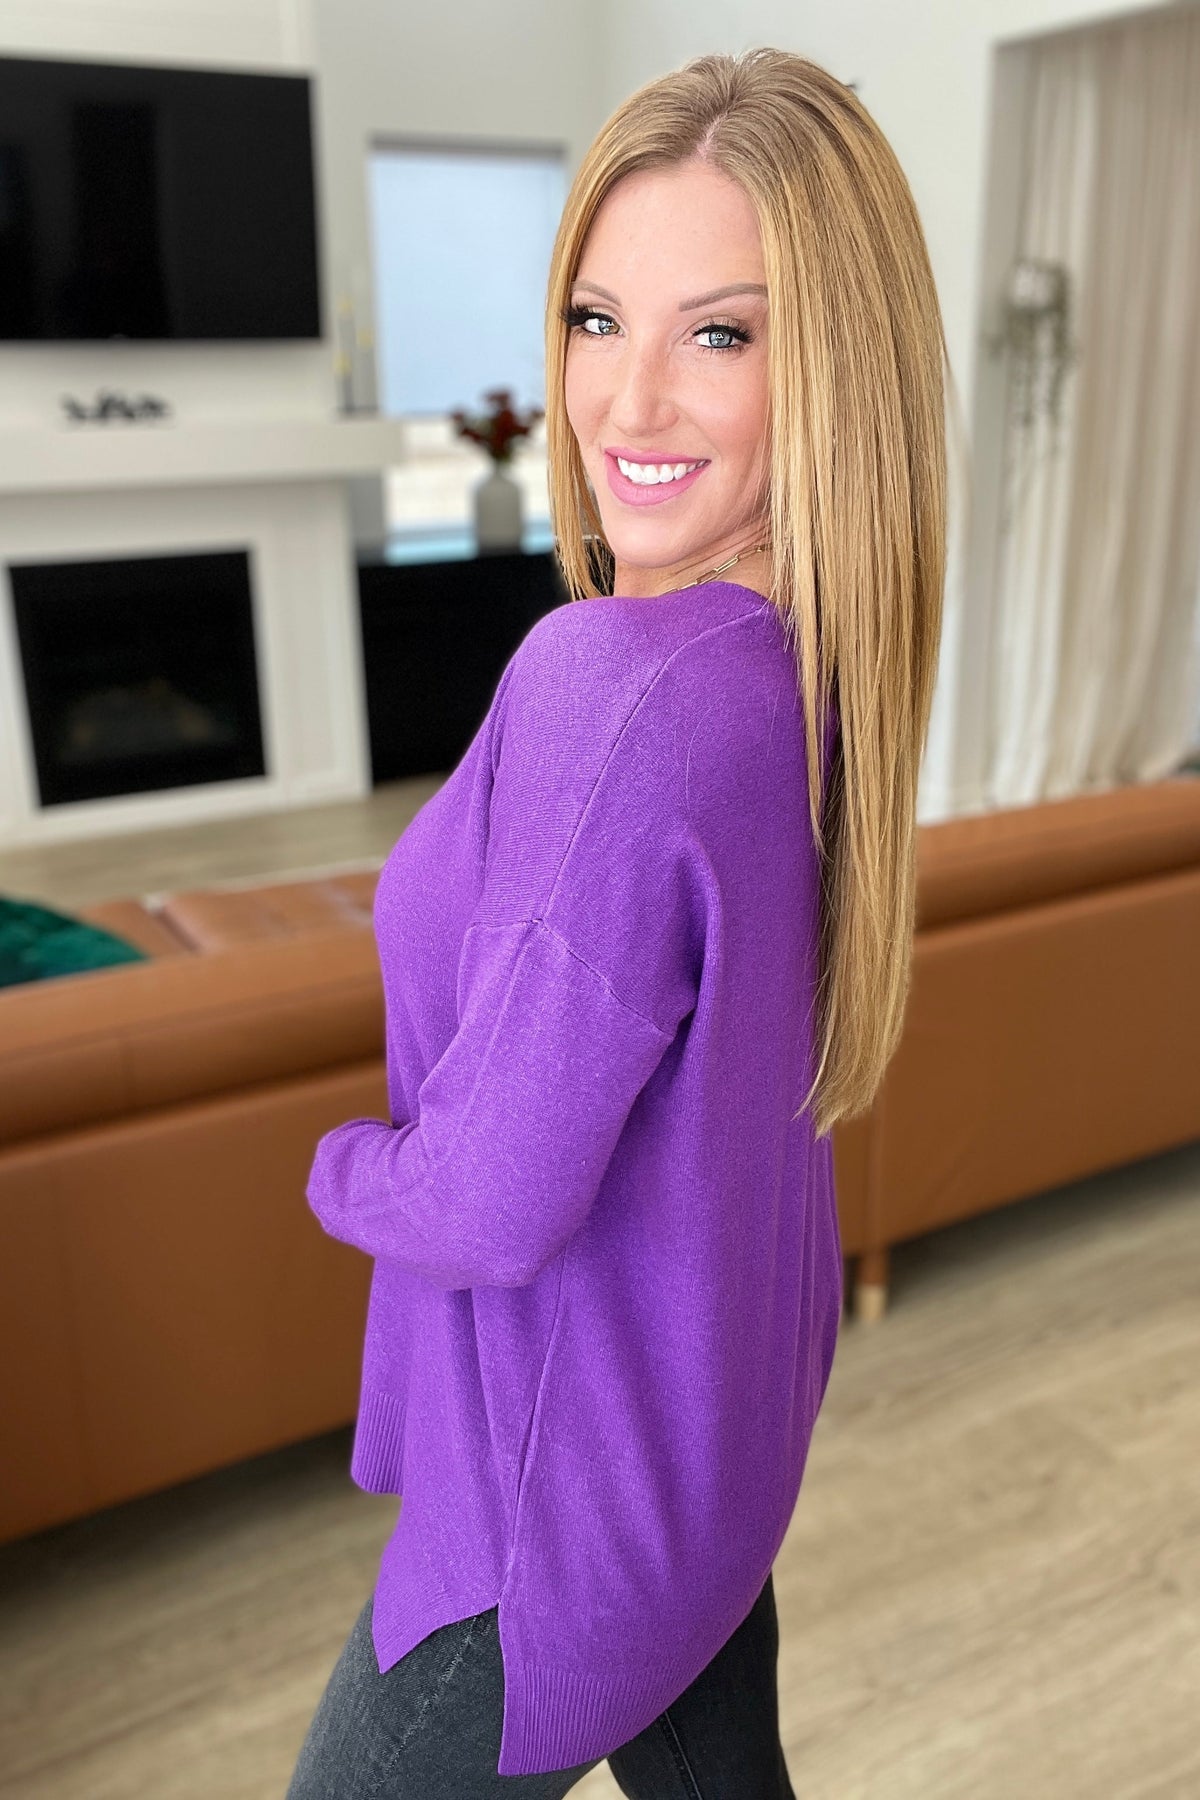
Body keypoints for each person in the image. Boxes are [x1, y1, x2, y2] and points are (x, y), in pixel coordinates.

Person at [286, 43, 948, 1800]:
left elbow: (489, 1201)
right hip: (705, 1466)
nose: (627, 400)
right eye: (597, 319)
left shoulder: (618, 689)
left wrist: (342, 1169)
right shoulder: (803, 673)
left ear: (836, 372)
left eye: (719, 334)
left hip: (550, 1522)